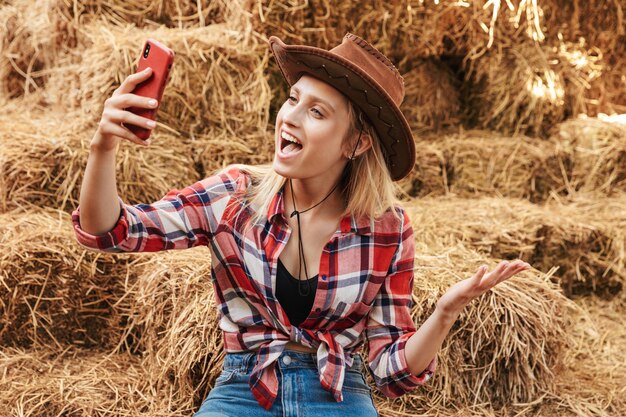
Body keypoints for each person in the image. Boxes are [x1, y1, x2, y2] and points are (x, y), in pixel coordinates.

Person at [72, 33, 531, 416]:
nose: (289, 116)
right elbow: (113, 231)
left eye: (316, 112)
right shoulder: (235, 195)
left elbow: (393, 373)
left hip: (340, 394)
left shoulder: (388, 229)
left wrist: (444, 314)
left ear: (356, 143)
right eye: (293, 99)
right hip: (244, 388)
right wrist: (102, 148)